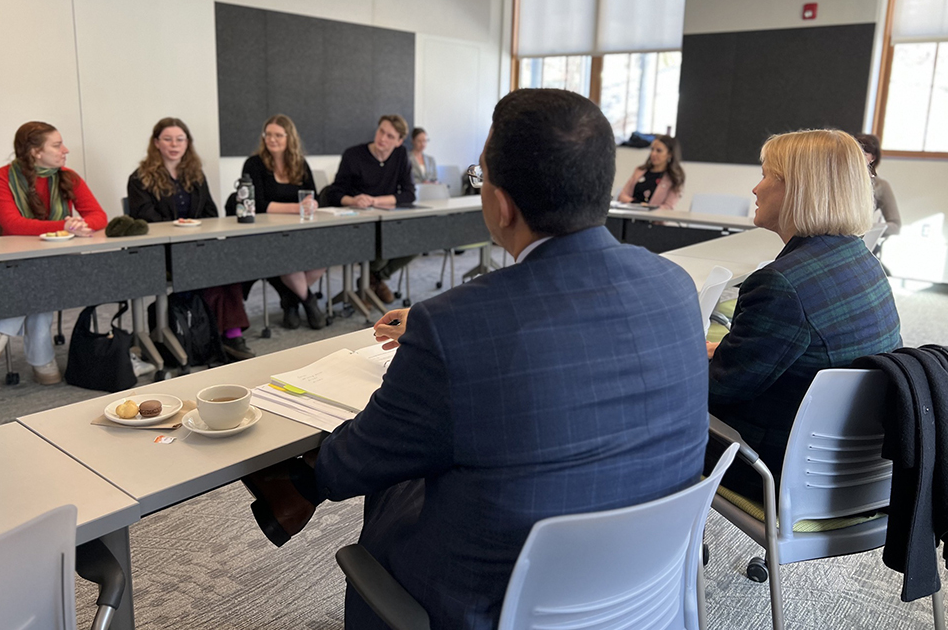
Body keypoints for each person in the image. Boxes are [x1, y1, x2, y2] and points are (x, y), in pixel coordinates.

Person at [242, 89, 710, 629]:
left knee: (393, 471)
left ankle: (295, 493)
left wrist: (317, 470)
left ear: (501, 203)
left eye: (479, 175)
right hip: (645, 584)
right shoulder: (673, 285)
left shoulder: (456, 324)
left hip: (494, 602)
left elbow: (360, 462)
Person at [706, 129, 901, 499]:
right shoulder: (863, 262)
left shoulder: (781, 285)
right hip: (849, 469)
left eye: (766, 175)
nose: (755, 189)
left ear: (797, 188)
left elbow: (718, 390)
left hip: (776, 470)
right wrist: (725, 351)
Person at [0, 121, 108, 384]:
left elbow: (99, 216)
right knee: (41, 277)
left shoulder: (68, 177)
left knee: (43, 274)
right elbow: (12, 225)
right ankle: (41, 358)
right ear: (36, 152)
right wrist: (65, 225)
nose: (66, 150)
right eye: (58, 145)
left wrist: (79, 225)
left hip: (57, 260)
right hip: (15, 260)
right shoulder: (1, 178)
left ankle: (1, 328)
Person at [127, 117, 255, 361]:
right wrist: (180, 228)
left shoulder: (195, 174)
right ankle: (224, 335)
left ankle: (228, 333)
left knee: (229, 264)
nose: (174, 144)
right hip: (162, 251)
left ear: (187, 143)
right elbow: (145, 220)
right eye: (167, 139)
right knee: (214, 269)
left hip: (197, 245)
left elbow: (210, 213)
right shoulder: (140, 178)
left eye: (180, 139)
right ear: (156, 143)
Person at [240, 115, 326, 330]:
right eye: (268, 134)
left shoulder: (300, 163)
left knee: (325, 256)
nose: (272, 139)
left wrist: (310, 205)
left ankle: (291, 300)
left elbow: (312, 197)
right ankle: (309, 302)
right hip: (268, 233)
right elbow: (257, 204)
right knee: (289, 261)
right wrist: (297, 207)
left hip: (300, 229)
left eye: (278, 135)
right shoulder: (254, 164)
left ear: (289, 138)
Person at [326, 114, 416, 304]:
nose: (383, 138)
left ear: (399, 142)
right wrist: (353, 200)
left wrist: (376, 200)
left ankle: (374, 278)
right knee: (384, 244)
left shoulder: (401, 156)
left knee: (416, 241)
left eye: (390, 136)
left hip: (386, 219)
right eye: (381, 131)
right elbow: (333, 193)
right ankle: (372, 281)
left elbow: (409, 194)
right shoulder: (353, 155)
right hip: (356, 222)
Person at [617, 134, 685, 209]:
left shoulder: (673, 178)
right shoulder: (640, 171)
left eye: (659, 151)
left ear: (670, 154)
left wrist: (648, 208)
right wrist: (637, 204)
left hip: (652, 219)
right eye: (652, 149)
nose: (653, 154)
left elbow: (668, 207)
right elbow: (622, 195)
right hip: (630, 215)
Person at [854, 133, 901, 237]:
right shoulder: (837, 179)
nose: (857, 158)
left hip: (859, 242)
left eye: (863, 154)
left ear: (873, 158)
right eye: (854, 154)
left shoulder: (880, 185)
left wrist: (869, 228)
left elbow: (895, 226)